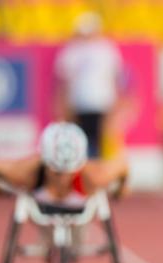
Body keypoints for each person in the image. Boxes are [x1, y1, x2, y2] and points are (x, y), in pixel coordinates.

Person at [0, 122, 129, 209]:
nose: (63, 178)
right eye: (57, 172)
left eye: (70, 171)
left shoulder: (94, 176)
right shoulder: (26, 172)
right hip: (42, 210)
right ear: (45, 163)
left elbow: (123, 167)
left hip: (78, 210)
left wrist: (120, 191)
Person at [53, 11, 128, 159]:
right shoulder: (73, 50)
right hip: (79, 103)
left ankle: (96, 170)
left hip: (101, 102)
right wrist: (64, 104)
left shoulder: (106, 49)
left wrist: (116, 104)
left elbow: (115, 78)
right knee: (80, 140)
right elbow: (65, 81)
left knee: (99, 140)